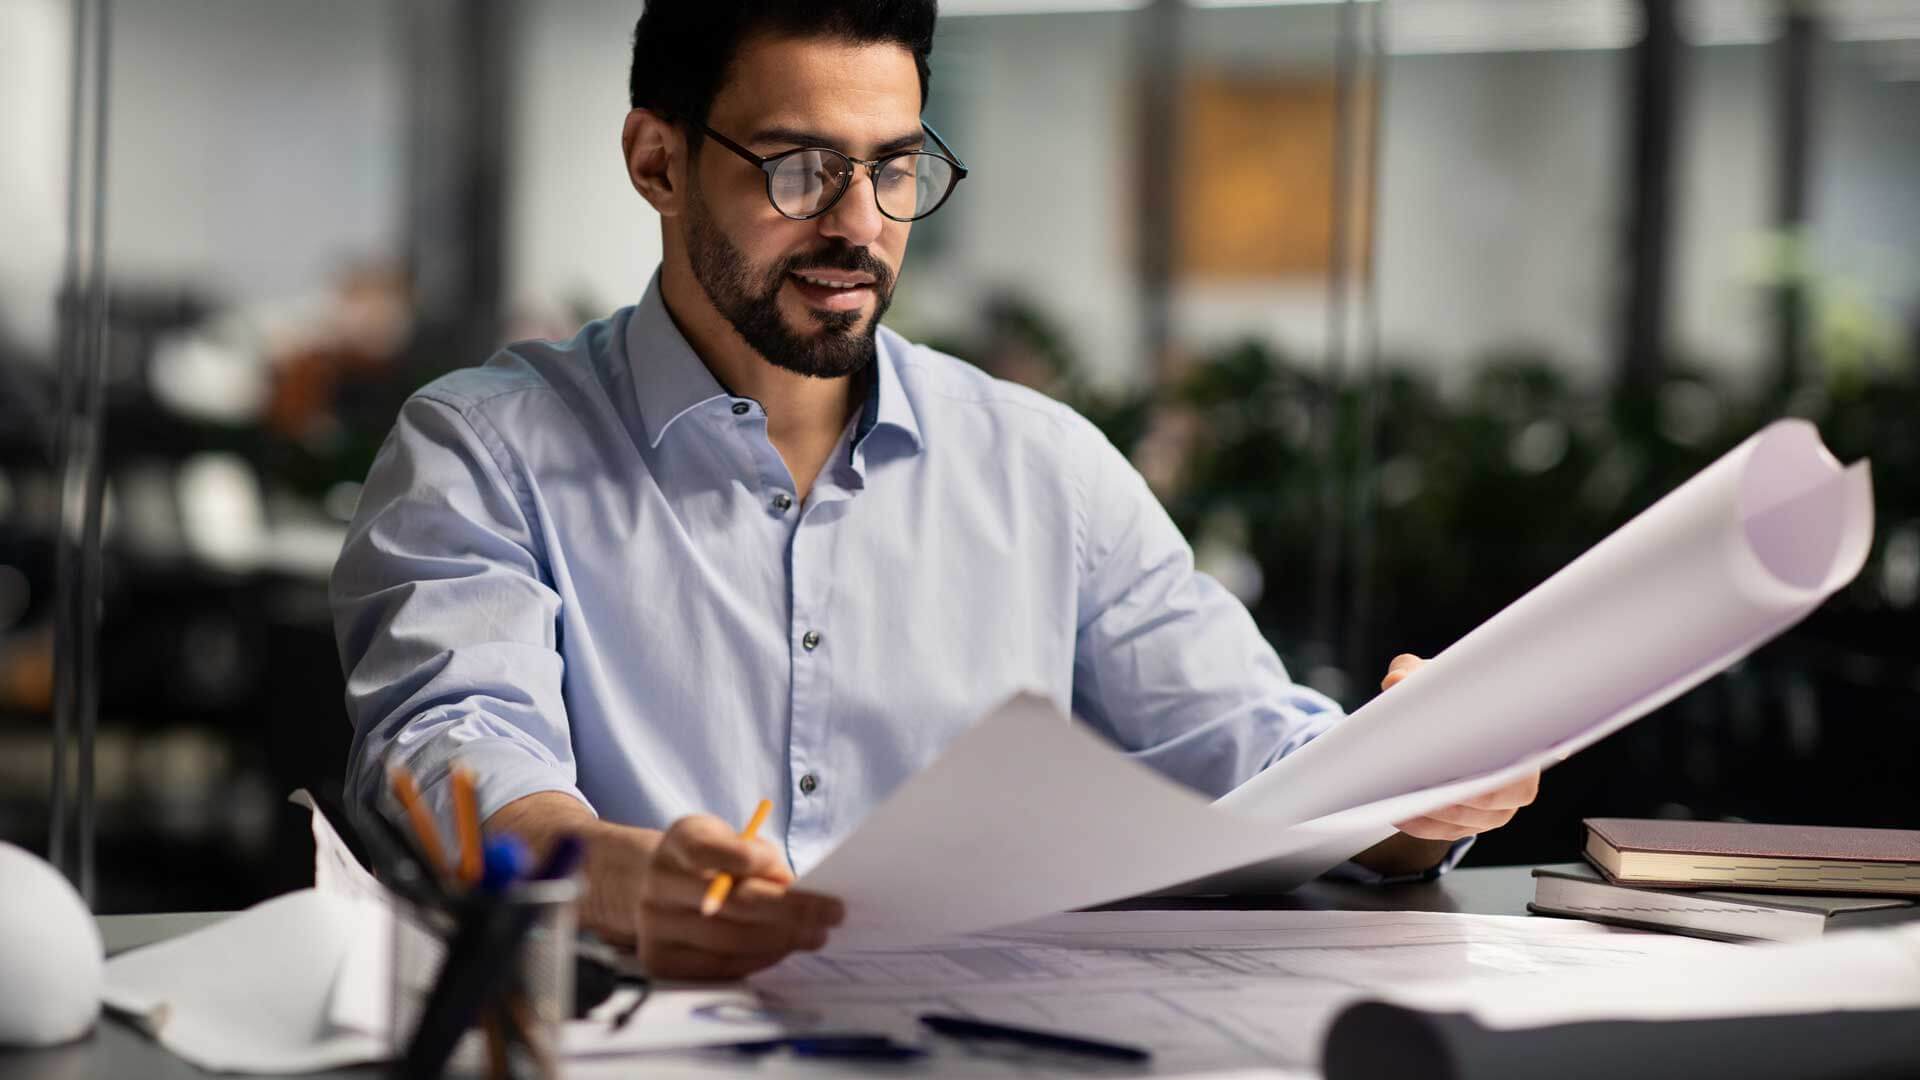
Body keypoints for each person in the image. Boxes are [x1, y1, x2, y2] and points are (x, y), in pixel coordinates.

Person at [331, 0, 1538, 979]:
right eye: (800, 168)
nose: (858, 226)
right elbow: (452, 743)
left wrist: (1416, 793)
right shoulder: (483, 448)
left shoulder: (1041, 464)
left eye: (894, 167)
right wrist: (605, 873)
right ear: (658, 160)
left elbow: (1250, 758)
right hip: (624, 1032)